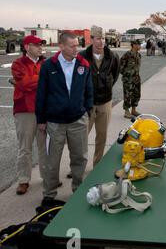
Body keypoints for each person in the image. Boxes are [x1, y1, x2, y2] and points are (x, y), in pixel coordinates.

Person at [35, 32, 93, 203]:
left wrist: (87, 111)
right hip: (55, 122)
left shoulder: (83, 64)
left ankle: (78, 190)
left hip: (78, 120)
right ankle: (49, 195)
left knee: (79, 157)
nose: (77, 48)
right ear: (61, 46)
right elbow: (41, 94)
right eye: (72, 45)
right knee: (52, 161)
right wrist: (41, 119)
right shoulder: (48, 66)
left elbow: (89, 90)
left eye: (77, 45)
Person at [11, 35, 47, 195]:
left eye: (41, 45)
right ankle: (23, 180)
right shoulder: (18, 63)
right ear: (27, 47)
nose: (40, 47)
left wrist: (33, 81)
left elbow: (47, 84)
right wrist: (41, 79)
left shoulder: (44, 63)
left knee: (44, 147)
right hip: (24, 110)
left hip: (42, 110)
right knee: (24, 148)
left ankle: (47, 177)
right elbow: (24, 85)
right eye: (36, 45)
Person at [80, 26, 120, 166]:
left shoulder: (112, 56)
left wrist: (106, 87)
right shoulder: (82, 56)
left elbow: (114, 75)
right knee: (82, 136)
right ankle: (79, 166)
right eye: (98, 38)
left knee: (101, 136)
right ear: (91, 39)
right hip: (87, 103)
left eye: (103, 38)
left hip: (105, 101)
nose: (101, 41)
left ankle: (97, 165)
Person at [120, 40, 142, 118]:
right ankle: (126, 111)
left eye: (140, 44)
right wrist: (127, 74)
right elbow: (121, 66)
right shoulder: (127, 54)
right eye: (138, 44)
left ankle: (133, 110)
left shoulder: (139, 55)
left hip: (136, 78)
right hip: (128, 79)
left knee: (136, 94)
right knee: (127, 95)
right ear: (133, 45)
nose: (140, 46)